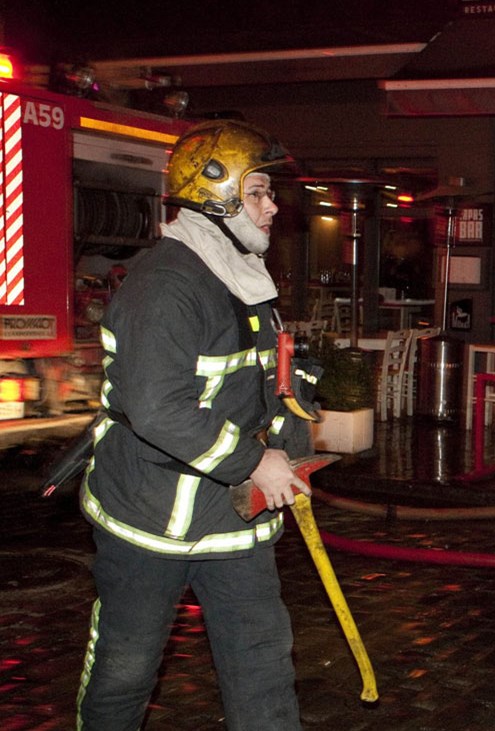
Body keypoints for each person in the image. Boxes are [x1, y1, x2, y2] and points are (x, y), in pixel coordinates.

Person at [77, 119, 311, 730]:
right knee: (126, 670)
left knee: (263, 669)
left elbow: (263, 382)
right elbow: (158, 408)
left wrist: (291, 438)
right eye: (258, 191)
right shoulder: (166, 286)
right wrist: (255, 461)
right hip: (149, 522)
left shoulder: (241, 279)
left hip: (233, 521)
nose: (272, 206)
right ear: (217, 194)